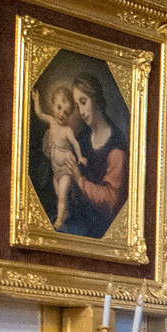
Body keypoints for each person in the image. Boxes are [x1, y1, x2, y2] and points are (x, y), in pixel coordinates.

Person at [52, 71, 127, 238]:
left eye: (84, 102)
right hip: (77, 216)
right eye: (78, 106)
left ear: (96, 99)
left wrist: (79, 180)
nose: (82, 112)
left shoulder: (116, 145)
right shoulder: (82, 139)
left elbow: (111, 200)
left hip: (99, 228)